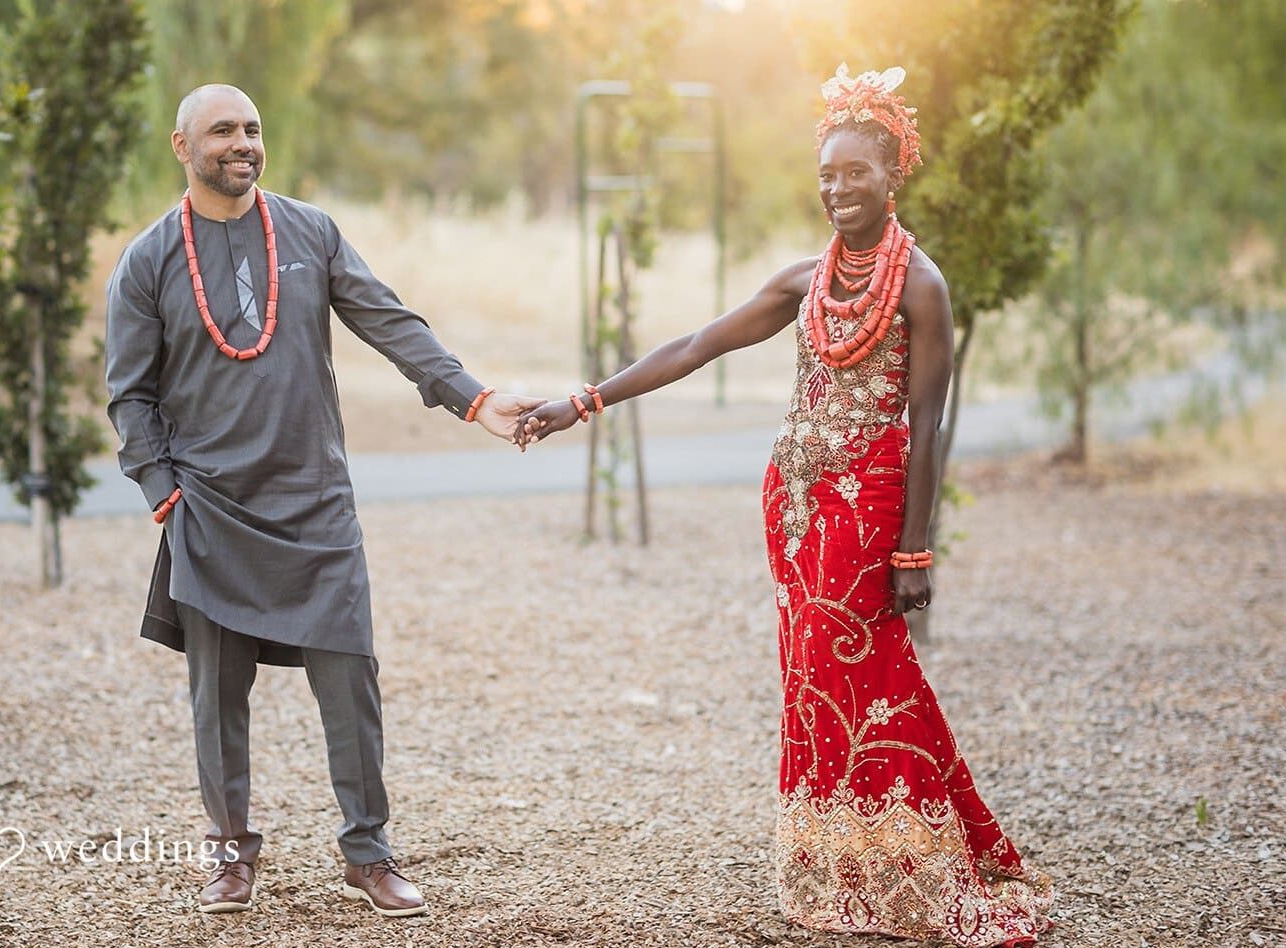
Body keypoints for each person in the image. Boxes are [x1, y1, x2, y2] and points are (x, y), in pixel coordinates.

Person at [517, 66, 1054, 946]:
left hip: (868, 501)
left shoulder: (921, 285)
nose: (838, 190)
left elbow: (927, 422)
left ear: (893, 174)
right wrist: (584, 402)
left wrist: (914, 550)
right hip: (794, 504)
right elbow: (696, 345)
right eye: (827, 176)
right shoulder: (802, 279)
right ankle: (838, 859)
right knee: (810, 676)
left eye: (856, 174)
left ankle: (911, 857)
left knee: (869, 670)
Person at [105, 84, 542, 918]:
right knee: (216, 694)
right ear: (181, 146)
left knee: (350, 679)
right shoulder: (149, 259)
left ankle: (368, 852)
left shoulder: (310, 231)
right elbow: (130, 395)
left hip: (314, 502)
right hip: (211, 508)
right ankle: (229, 856)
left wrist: (473, 398)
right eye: (223, 130)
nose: (242, 142)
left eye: (253, 129)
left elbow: (389, 321)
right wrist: (162, 492)